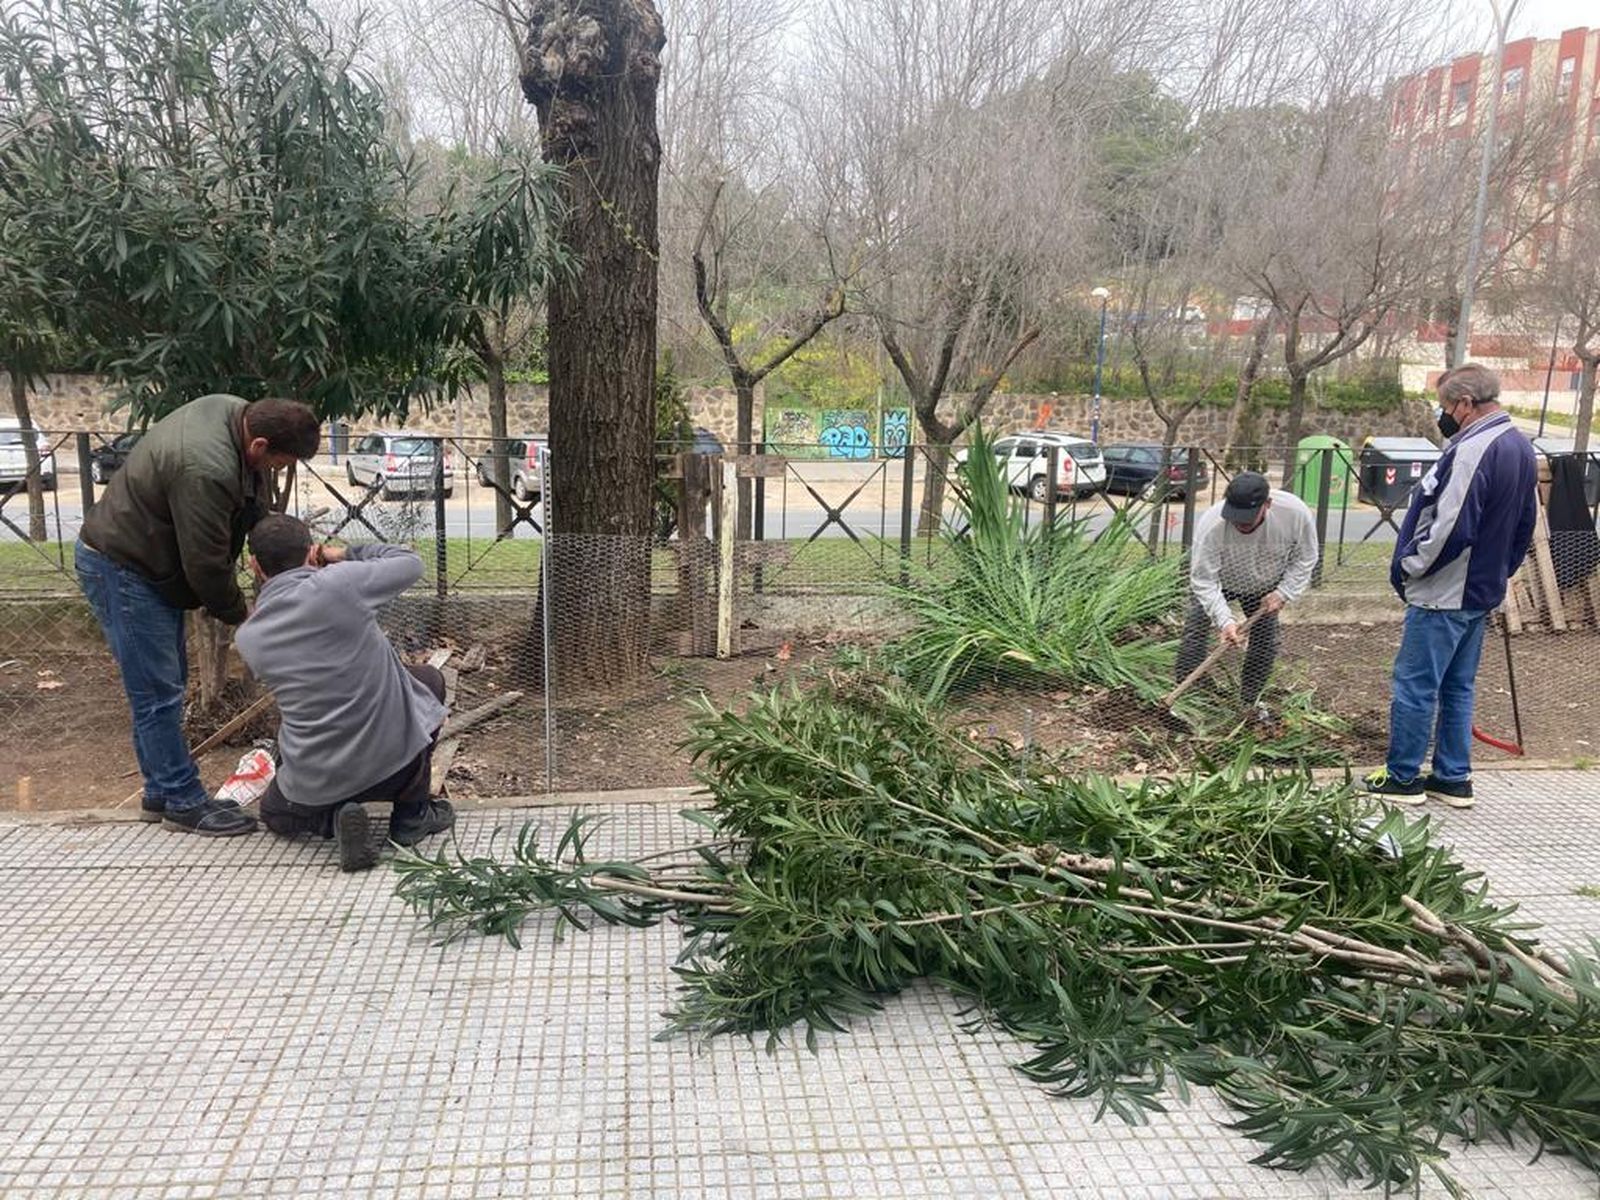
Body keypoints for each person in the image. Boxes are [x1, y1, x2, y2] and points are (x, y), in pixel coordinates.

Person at [76, 395, 320, 837]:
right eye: (279, 464)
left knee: (161, 684)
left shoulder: (234, 414)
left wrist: (289, 555)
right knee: (158, 691)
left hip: (149, 562)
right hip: (124, 566)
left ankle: (160, 791)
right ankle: (183, 803)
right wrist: (245, 616)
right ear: (260, 444)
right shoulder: (204, 468)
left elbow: (251, 510)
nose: (276, 473)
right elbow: (205, 566)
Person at [235, 515, 455, 871]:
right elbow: (410, 562)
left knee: (275, 814)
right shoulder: (340, 584)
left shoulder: (249, 639)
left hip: (318, 782)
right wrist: (342, 554)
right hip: (395, 767)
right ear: (310, 553)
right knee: (429, 680)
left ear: (254, 565)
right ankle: (412, 816)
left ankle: (332, 820)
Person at [1362, 364, 1536, 809]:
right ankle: (1452, 777)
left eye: (1445, 406)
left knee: (1415, 684)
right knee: (1458, 686)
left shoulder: (1475, 448)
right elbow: (1525, 525)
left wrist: (1410, 566)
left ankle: (1403, 777)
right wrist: (1501, 573)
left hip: (1444, 592)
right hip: (1479, 592)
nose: (1443, 416)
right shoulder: (1519, 446)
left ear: (1464, 404)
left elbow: (1452, 524)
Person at [1175, 470, 1320, 719]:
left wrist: (1284, 592)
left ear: (1268, 504)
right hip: (1221, 581)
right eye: (1236, 517)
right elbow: (1204, 580)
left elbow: (1306, 557)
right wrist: (1225, 621)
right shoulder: (1212, 525)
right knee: (1195, 632)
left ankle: (1250, 702)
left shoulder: (1294, 514)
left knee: (1265, 641)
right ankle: (1190, 697)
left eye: (1248, 518)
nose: (1241, 523)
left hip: (1265, 586)